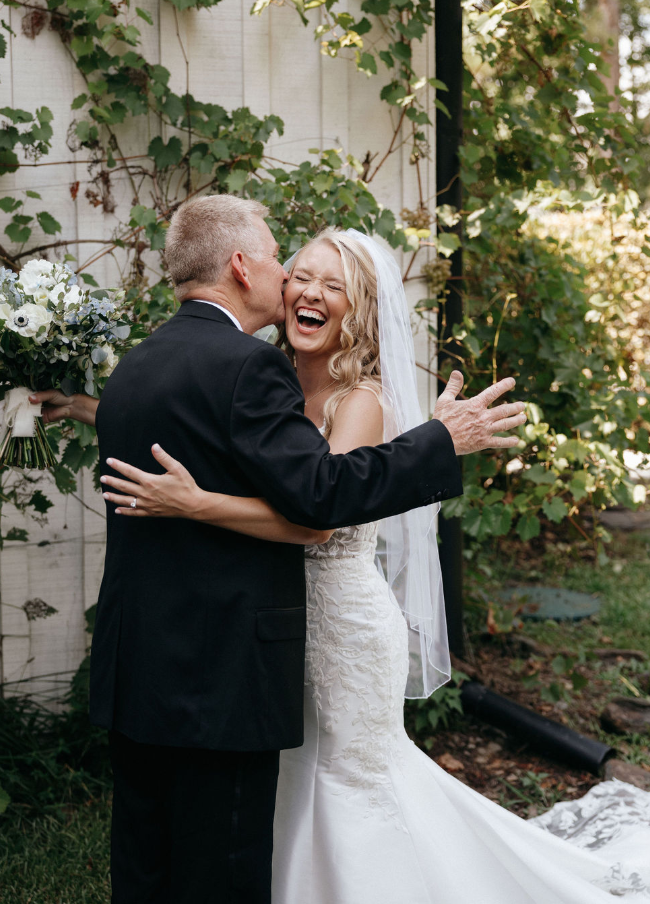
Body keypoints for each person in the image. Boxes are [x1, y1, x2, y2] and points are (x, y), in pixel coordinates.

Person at [94, 227, 650, 903]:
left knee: (350, 786)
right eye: (302, 275)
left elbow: (318, 519)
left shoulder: (359, 400)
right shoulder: (262, 381)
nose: (311, 292)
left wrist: (196, 503)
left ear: (360, 309)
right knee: (291, 793)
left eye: (336, 286)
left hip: (343, 633)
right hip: (268, 634)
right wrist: (89, 408)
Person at [32, 196, 525, 904]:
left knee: (149, 863)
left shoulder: (140, 367)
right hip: (228, 668)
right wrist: (442, 440)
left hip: (157, 662)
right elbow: (322, 494)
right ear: (242, 266)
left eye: (327, 281)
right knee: (222, 867)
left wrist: (116, 431)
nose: (294, 280)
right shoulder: (253, 372)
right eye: (283, 262)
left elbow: (302, 501)